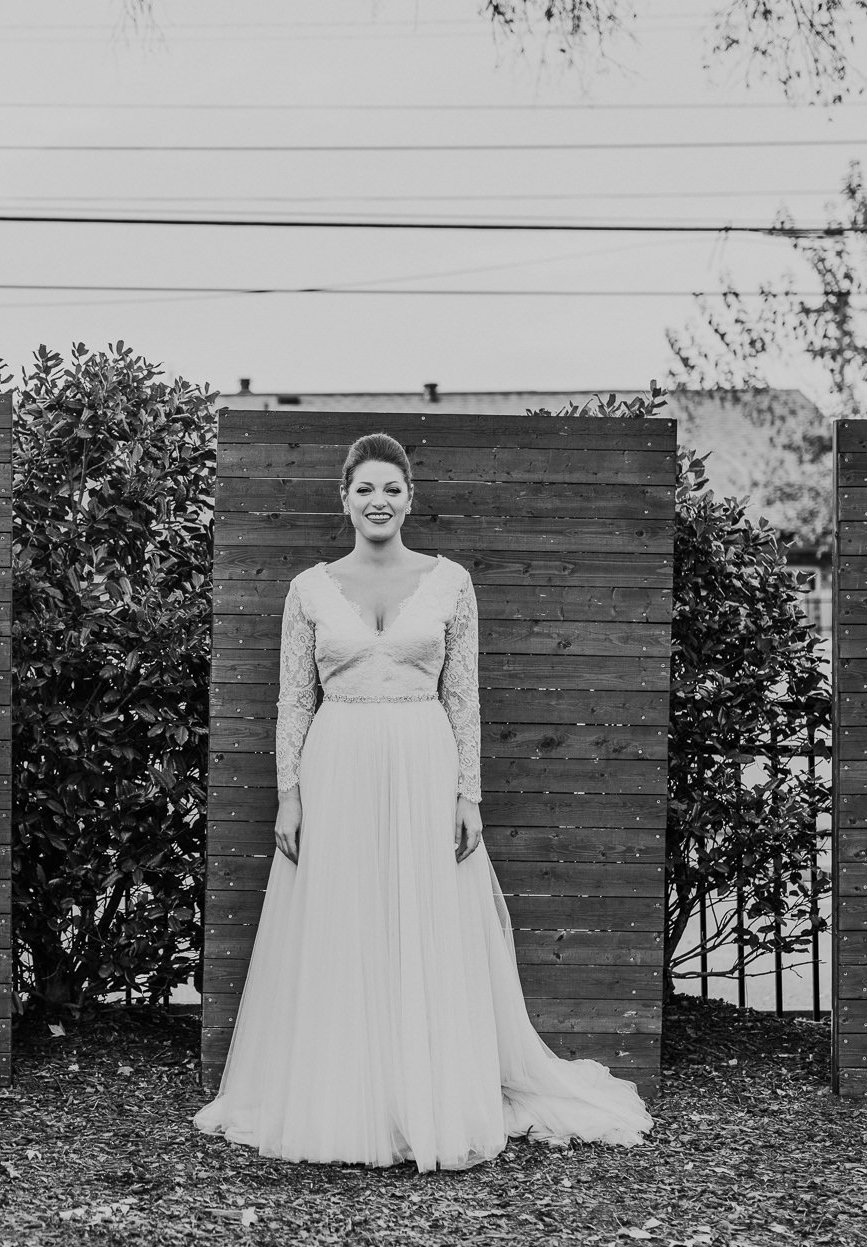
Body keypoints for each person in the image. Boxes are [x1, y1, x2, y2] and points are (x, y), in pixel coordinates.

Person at [193, 432, 652, 1168]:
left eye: (392, 489)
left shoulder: (451, 583)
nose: (379, 501)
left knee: (423, 923)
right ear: (344, 499)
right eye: (366, 489)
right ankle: (347, 1097)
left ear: (411, 498)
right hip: (336, 763)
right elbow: (291, 701)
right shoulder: (309, 588)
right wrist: (289, 795)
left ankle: (428, 1091)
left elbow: (463, 697)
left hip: (423, 759)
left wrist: (468, 796)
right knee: (345, 925)